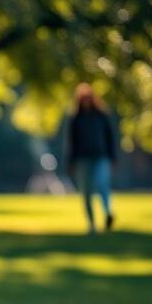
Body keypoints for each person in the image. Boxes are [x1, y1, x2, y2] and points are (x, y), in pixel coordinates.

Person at [66, 82, 117, 234]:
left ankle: (108, 213)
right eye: (83, 98)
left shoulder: (101, 116)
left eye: (88, 97)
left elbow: (110, 138)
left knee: (102, 184)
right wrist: (70, 161)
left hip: (101, 156)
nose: (86, 100)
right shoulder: (75, 119)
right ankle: (92, 224)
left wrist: (113, 157)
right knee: (86, 192)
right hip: (82, 159)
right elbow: (71, 142)